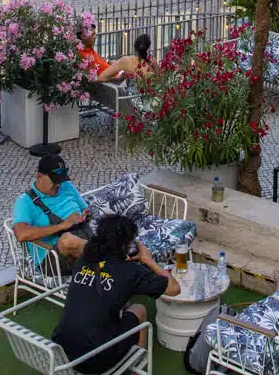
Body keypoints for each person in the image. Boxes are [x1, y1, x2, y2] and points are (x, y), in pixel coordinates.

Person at [51, 214, 178, 374]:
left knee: (118, 302)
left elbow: (65, 240)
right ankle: (138, 368)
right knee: (139, 310)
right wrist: (148, 260)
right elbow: (174, 288)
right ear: (127, 244)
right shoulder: (131, 271)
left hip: (61, 350)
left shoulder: (84, 257)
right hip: (95, 359)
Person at [12, 153, 92, 272]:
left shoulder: (66, 186)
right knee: (67, 240)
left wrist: (85, 215)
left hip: (82, 240)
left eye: (61, 180)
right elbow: (21, 234)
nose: (58, 184)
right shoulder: (25, 201)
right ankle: (106, 259)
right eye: (54, 180)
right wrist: (62, 225)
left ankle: (108, 262)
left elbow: (86, 209)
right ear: (39, 176)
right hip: (52, 258)